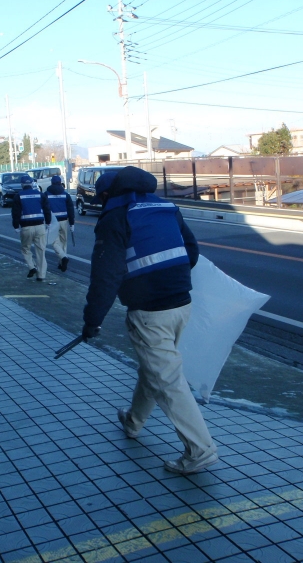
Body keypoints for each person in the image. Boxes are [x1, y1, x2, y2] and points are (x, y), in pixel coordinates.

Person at [81, 166, 218, 475]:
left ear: (108, 194)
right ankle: (133, 421)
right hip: (182, 303)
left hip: (149, 312)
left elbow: (105, 276)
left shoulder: (115, 217)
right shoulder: (167, 207)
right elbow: (191, 251)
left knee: (167, 379)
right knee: (154, 367)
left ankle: (201, 450)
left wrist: (92, 321)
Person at [12, 174, 51, 281]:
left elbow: (16, 213)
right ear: (32, 184)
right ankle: (41, 275)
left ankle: (31, 266)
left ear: (22, 185)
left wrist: (16, 226)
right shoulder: (40, 195)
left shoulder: (18, 196)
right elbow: (47, 209)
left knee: (25, 249)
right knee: (41, 250)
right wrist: (48, 222)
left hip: (26, 227)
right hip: (40, 226)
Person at [42, 175, 75, 272]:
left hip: (53, 221)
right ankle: (62, 262)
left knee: (54, 242)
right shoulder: (66, 195)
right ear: (60, 183)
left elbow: (45, 209)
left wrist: (46, 221)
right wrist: (72, 224)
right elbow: (71, 210)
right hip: (64, 221)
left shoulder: (46, 194)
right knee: (64, 241)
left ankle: (63, 258)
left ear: (51, 183)